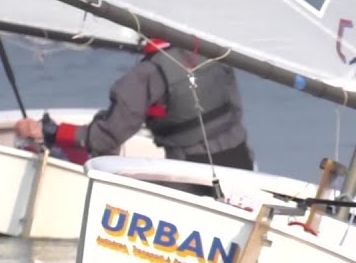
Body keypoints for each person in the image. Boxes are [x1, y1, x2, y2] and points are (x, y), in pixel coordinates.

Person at [13, 38, 255, 174]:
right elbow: (235, 109)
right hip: (241, 163)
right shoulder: (214, 55)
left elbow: (106, 138)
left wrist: (49, 132)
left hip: (193, 173)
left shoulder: (145, 75)